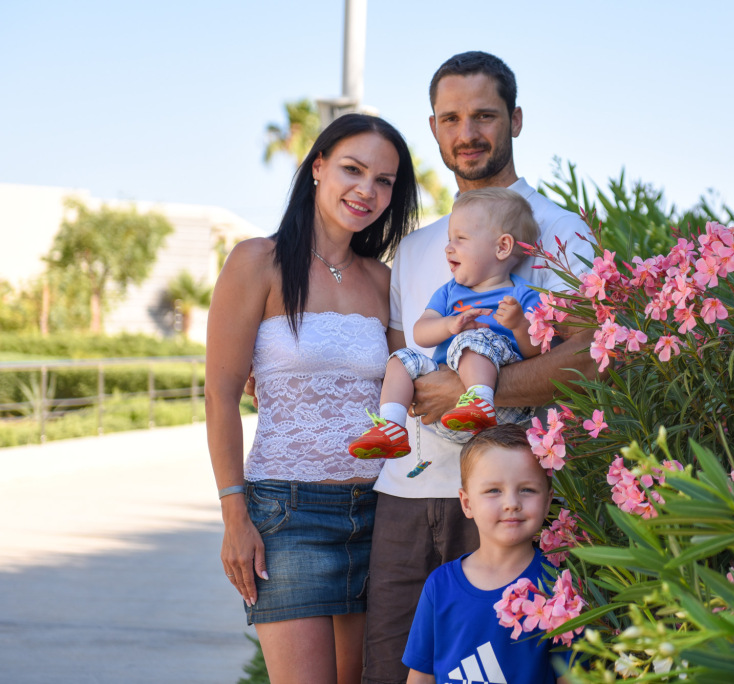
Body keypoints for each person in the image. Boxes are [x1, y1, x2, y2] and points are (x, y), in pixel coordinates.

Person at [362, 51, 596, 684]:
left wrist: (471, 390)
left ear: (516, 120)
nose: (468, 133)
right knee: (390, 671)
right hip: (405, 498)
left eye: (485, 115)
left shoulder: (560, 231)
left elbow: (593, 359)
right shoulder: (413, 247)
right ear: (434, 128)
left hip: (506, 500)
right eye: (451, 118)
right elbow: (397, 357)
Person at [206, 113, 418, 684]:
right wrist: (234, 515)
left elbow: (411, 381)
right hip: (288, 513)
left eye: (384, 180)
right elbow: (221, 395)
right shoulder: (258, 262)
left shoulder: (383, 279)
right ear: (318, 167)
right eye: (353, 169)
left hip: (379, 510)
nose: (367, 190)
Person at [347, 187, 544, 462]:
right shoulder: (450, 291)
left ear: (502, 247)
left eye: (461, 239)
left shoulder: (523, 296)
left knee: (474, 340)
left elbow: (538, 351)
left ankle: (479, 401)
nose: (448, 247)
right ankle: (391, 426)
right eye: (449, 239)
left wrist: (519, 325)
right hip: (445, 412)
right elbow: (421, 333)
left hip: (502, 410)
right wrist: (449, 324)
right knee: (400, 360)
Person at [402, 424, 571, 684]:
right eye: (494, 490)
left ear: (548, 501)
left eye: (527, 489)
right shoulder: (440, 585)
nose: (511, 503)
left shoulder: (558, 588)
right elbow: (421, 676)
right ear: (467, 503)